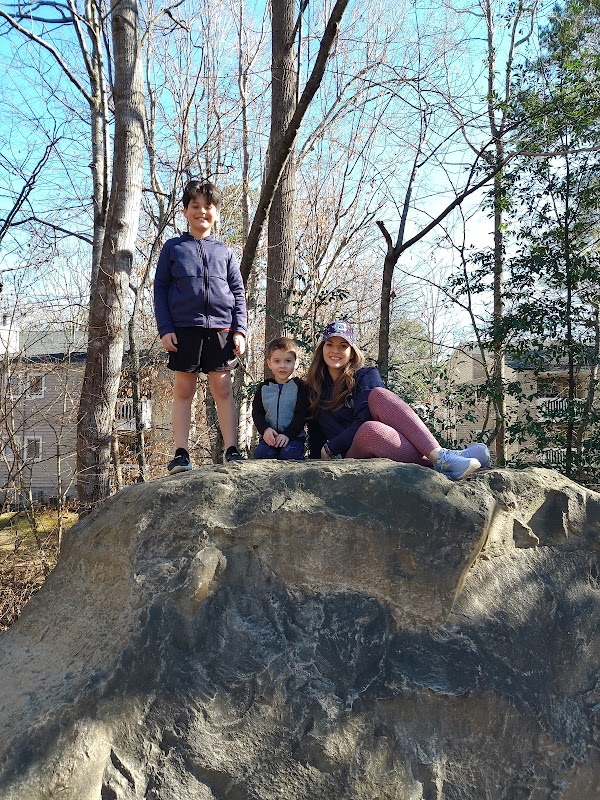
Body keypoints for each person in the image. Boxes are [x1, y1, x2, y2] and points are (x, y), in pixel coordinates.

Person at [306, 320, 490, 480]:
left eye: (343, 346)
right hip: (355, 452)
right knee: (369, 430)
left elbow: (366, 418)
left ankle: (442, 457)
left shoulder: (366, 375)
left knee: (378, 396)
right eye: (329, 344)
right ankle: (450, 458)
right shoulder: (314, 387)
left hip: (384, 439)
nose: (335, 350)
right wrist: (316, 461)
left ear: (352, 351)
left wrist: (330, 447)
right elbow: (315, 433)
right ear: (322, 348)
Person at [154, 179, 247, 474]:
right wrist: (165, 328)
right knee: (184, 391)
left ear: (216, 212)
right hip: (184, 328)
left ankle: (232, 450)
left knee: (223, 390)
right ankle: (181, 454)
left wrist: (240, 330)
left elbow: (238, 292)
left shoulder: (225, 252)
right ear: (185, 211)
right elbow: (160, 290)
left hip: (221, 328)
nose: (202, 212)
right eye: (195, 206)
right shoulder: (173, 248)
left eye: (208, 207)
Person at [252, 337, 309, 460]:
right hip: (270, 438)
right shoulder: (264, 388)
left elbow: (302, 414)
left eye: (288, 361)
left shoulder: (301, 387)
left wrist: (288, 434)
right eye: (277, 361)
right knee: (262, 454)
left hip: (293, 438)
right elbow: (257, 413)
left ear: (296, 363)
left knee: (289, 455)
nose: (282, 366)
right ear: (269, 363)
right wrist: (265, 430)